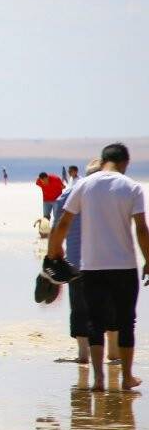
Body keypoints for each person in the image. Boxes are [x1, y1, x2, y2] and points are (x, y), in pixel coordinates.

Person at [48, 143, 149, 392]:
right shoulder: (132, 187)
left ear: (103, 160)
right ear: (125, 163)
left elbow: (63, 222)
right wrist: (148, 259)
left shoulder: (82, 185)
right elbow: (141, 229)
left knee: (94, 321)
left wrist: (54, 251)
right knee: (126, 321)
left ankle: (99, 379)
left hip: (91, 266)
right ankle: (126, 377)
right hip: (124, 266)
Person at [51, 159, 120, 364]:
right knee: (110, 307)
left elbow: (57, 229)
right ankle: (114, 353)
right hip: (108, 261)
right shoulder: (113, 195)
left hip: (76, 262)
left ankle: (83, 354)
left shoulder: (67, 195)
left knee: (79, 308)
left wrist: (53, 259)